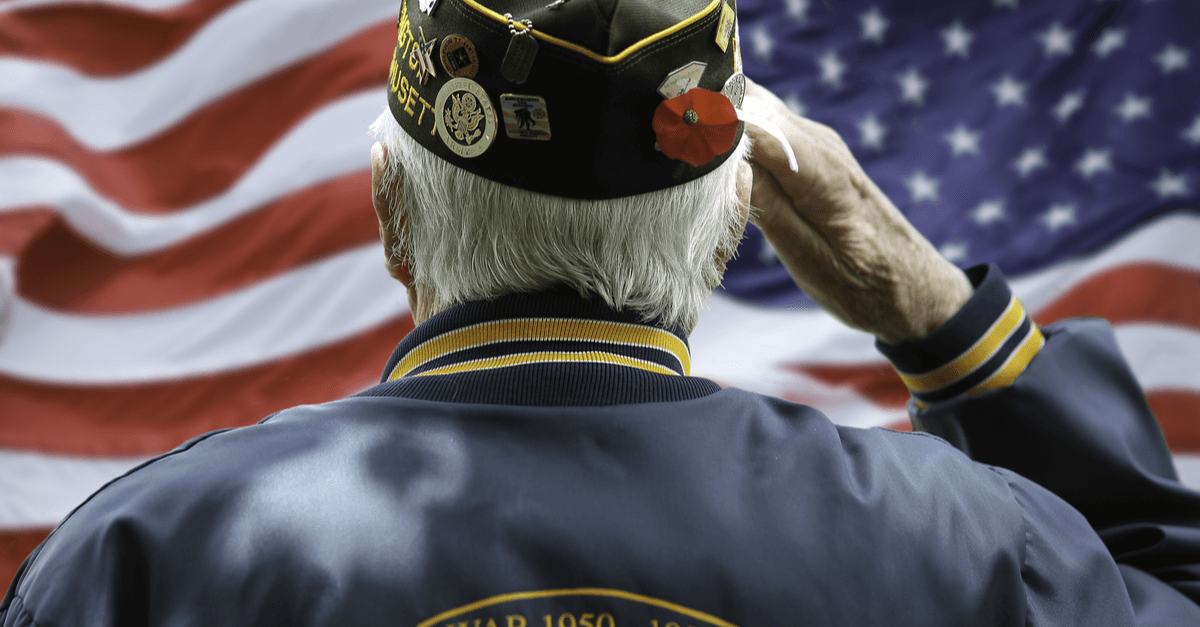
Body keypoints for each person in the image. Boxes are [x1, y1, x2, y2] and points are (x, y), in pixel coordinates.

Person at [4, 0, 1199, 625]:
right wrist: (940, 317)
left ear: (389, 212)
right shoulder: (982, 552)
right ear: (734, 227)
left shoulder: (148, 560)